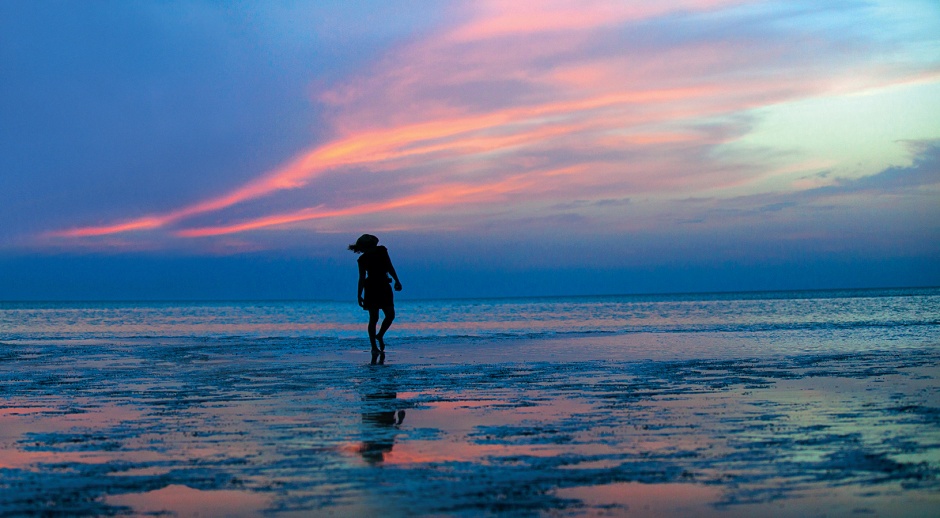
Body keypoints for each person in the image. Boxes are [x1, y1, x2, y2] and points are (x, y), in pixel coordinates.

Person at [348, 234, 402, 353]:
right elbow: (361, 277)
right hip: (371, 288)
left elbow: (389, 266)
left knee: (390, 314)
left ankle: (380, 335)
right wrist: (359, 295)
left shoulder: (382, 251)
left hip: (384, 285)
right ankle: (373, 347)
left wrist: (397, 280)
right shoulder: (362, 260)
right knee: (374, 318)